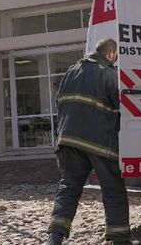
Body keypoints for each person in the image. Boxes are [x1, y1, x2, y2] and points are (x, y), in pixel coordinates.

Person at [46, 38, 133, 245]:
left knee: (69, 188)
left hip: (68, 140)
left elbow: (60, 103)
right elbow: (123, 106)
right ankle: (120, 239)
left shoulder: (71, 71)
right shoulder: (108, 73)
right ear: (111, 54)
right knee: (113, 190)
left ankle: (54, 238)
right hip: (99, 142)